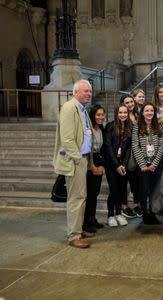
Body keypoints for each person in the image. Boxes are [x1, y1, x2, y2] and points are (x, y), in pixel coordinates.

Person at [53, 79, 94, 248]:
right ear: (76, 92)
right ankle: (74, 235)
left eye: (90, 91)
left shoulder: (82, 109)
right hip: (75, 160)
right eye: (86, 91)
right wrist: (78, 159)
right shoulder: (70, 107)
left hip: (83, 158)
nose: (89, 94)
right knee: (76, 198)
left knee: (81, 196)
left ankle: (78, 229)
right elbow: (68, 139)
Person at [132, 102, 163, 225]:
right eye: (147, 111)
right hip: (143, 166)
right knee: (143, 190)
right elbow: (135, 146)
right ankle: (145, 214)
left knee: (153, 191)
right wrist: (143, 165)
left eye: (151, 110)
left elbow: (161, 146)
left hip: (155, 165)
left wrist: (154, 164)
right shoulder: (137, 127)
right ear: (142, 112)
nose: (149, 113)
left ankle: (152, 213)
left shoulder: (158, 127)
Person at [104, 104, 132, 227]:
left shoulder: (129, 127)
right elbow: (108, 147)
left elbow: (128, 149)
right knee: (113, 190)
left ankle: (119, 213)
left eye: (125, 112)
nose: (123, 115)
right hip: (111, 165)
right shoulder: (110, 126)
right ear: (116, 114)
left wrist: (124, 164)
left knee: (121, 190)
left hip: (122, 165)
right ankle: (110, 215)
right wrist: (116, 165)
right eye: (120, 112)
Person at [82, 104, 105, 234]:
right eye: (98, 115)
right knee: (89, 194)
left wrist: (101, 165)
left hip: (98, 160)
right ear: (92, 116)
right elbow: (86, 149)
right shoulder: (88, 129)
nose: (100, 117)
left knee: (95, 194)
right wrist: (92, 167)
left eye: (102, 115)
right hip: (88, 162)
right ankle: (86, 222)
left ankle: (93, 219)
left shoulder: (101, 129)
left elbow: (101, 150)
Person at [119, 94, 139, 218]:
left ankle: (137, 204)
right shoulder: (122, 117)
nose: (130, 104)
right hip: (125, 153)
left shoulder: (138, 115)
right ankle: (124, 206)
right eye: (127, 102)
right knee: (123, 181)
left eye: (132, 101)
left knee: (135, 181)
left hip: (137, 152)